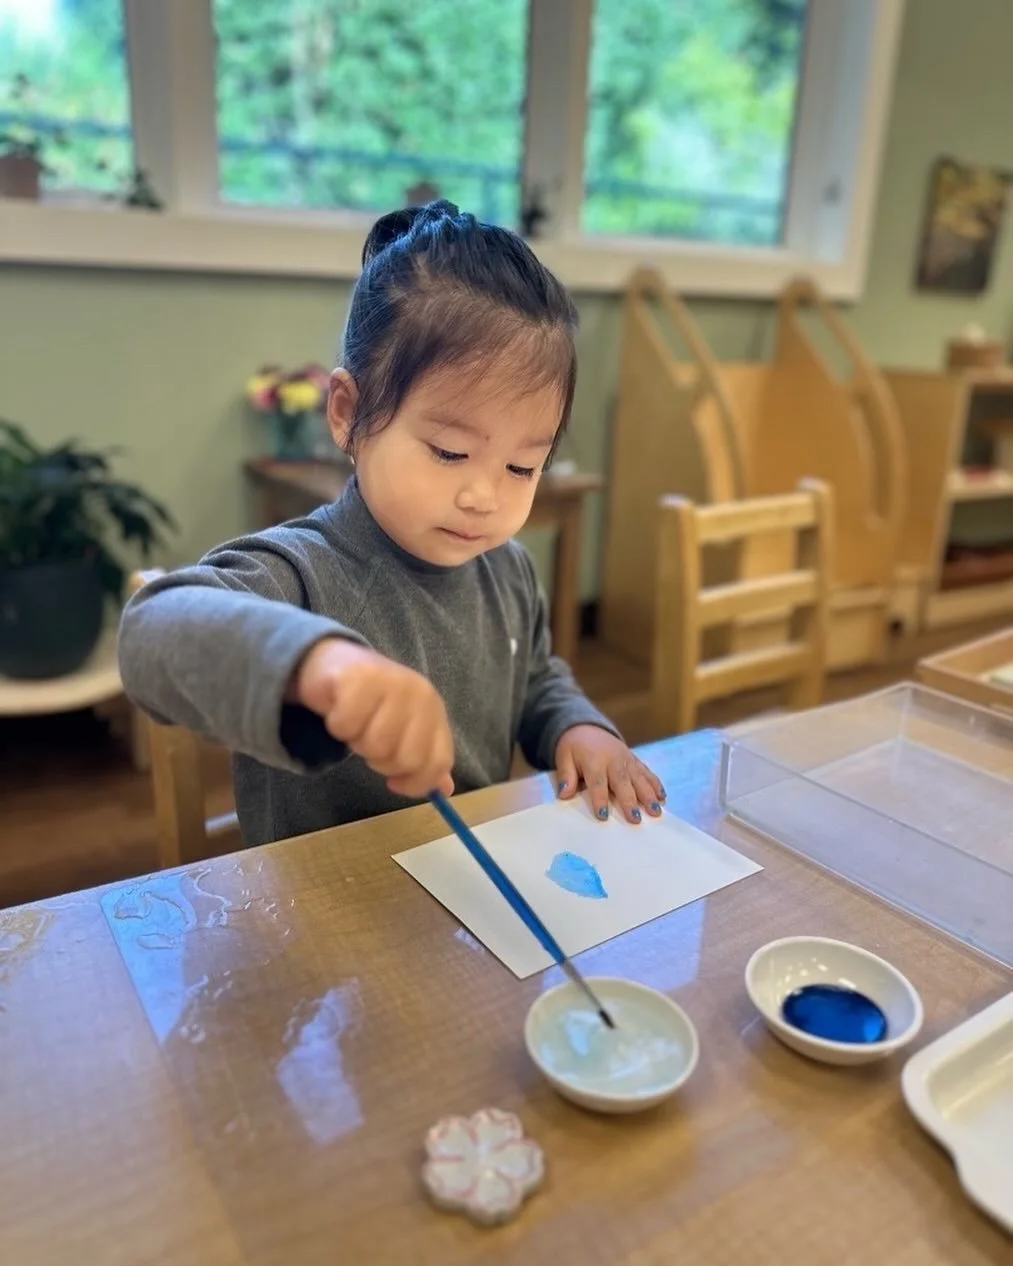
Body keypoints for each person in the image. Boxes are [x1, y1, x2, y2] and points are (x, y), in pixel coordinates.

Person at [119, 200, 665, 846]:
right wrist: (319, 667)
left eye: (522, 467)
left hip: (460, 892)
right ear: (348, 413)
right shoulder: (301, 571)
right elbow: (149, 632)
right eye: (449, 453)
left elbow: (537, 679)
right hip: (322, 909)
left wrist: (579, 728)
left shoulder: (506, 568)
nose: (483, 496)